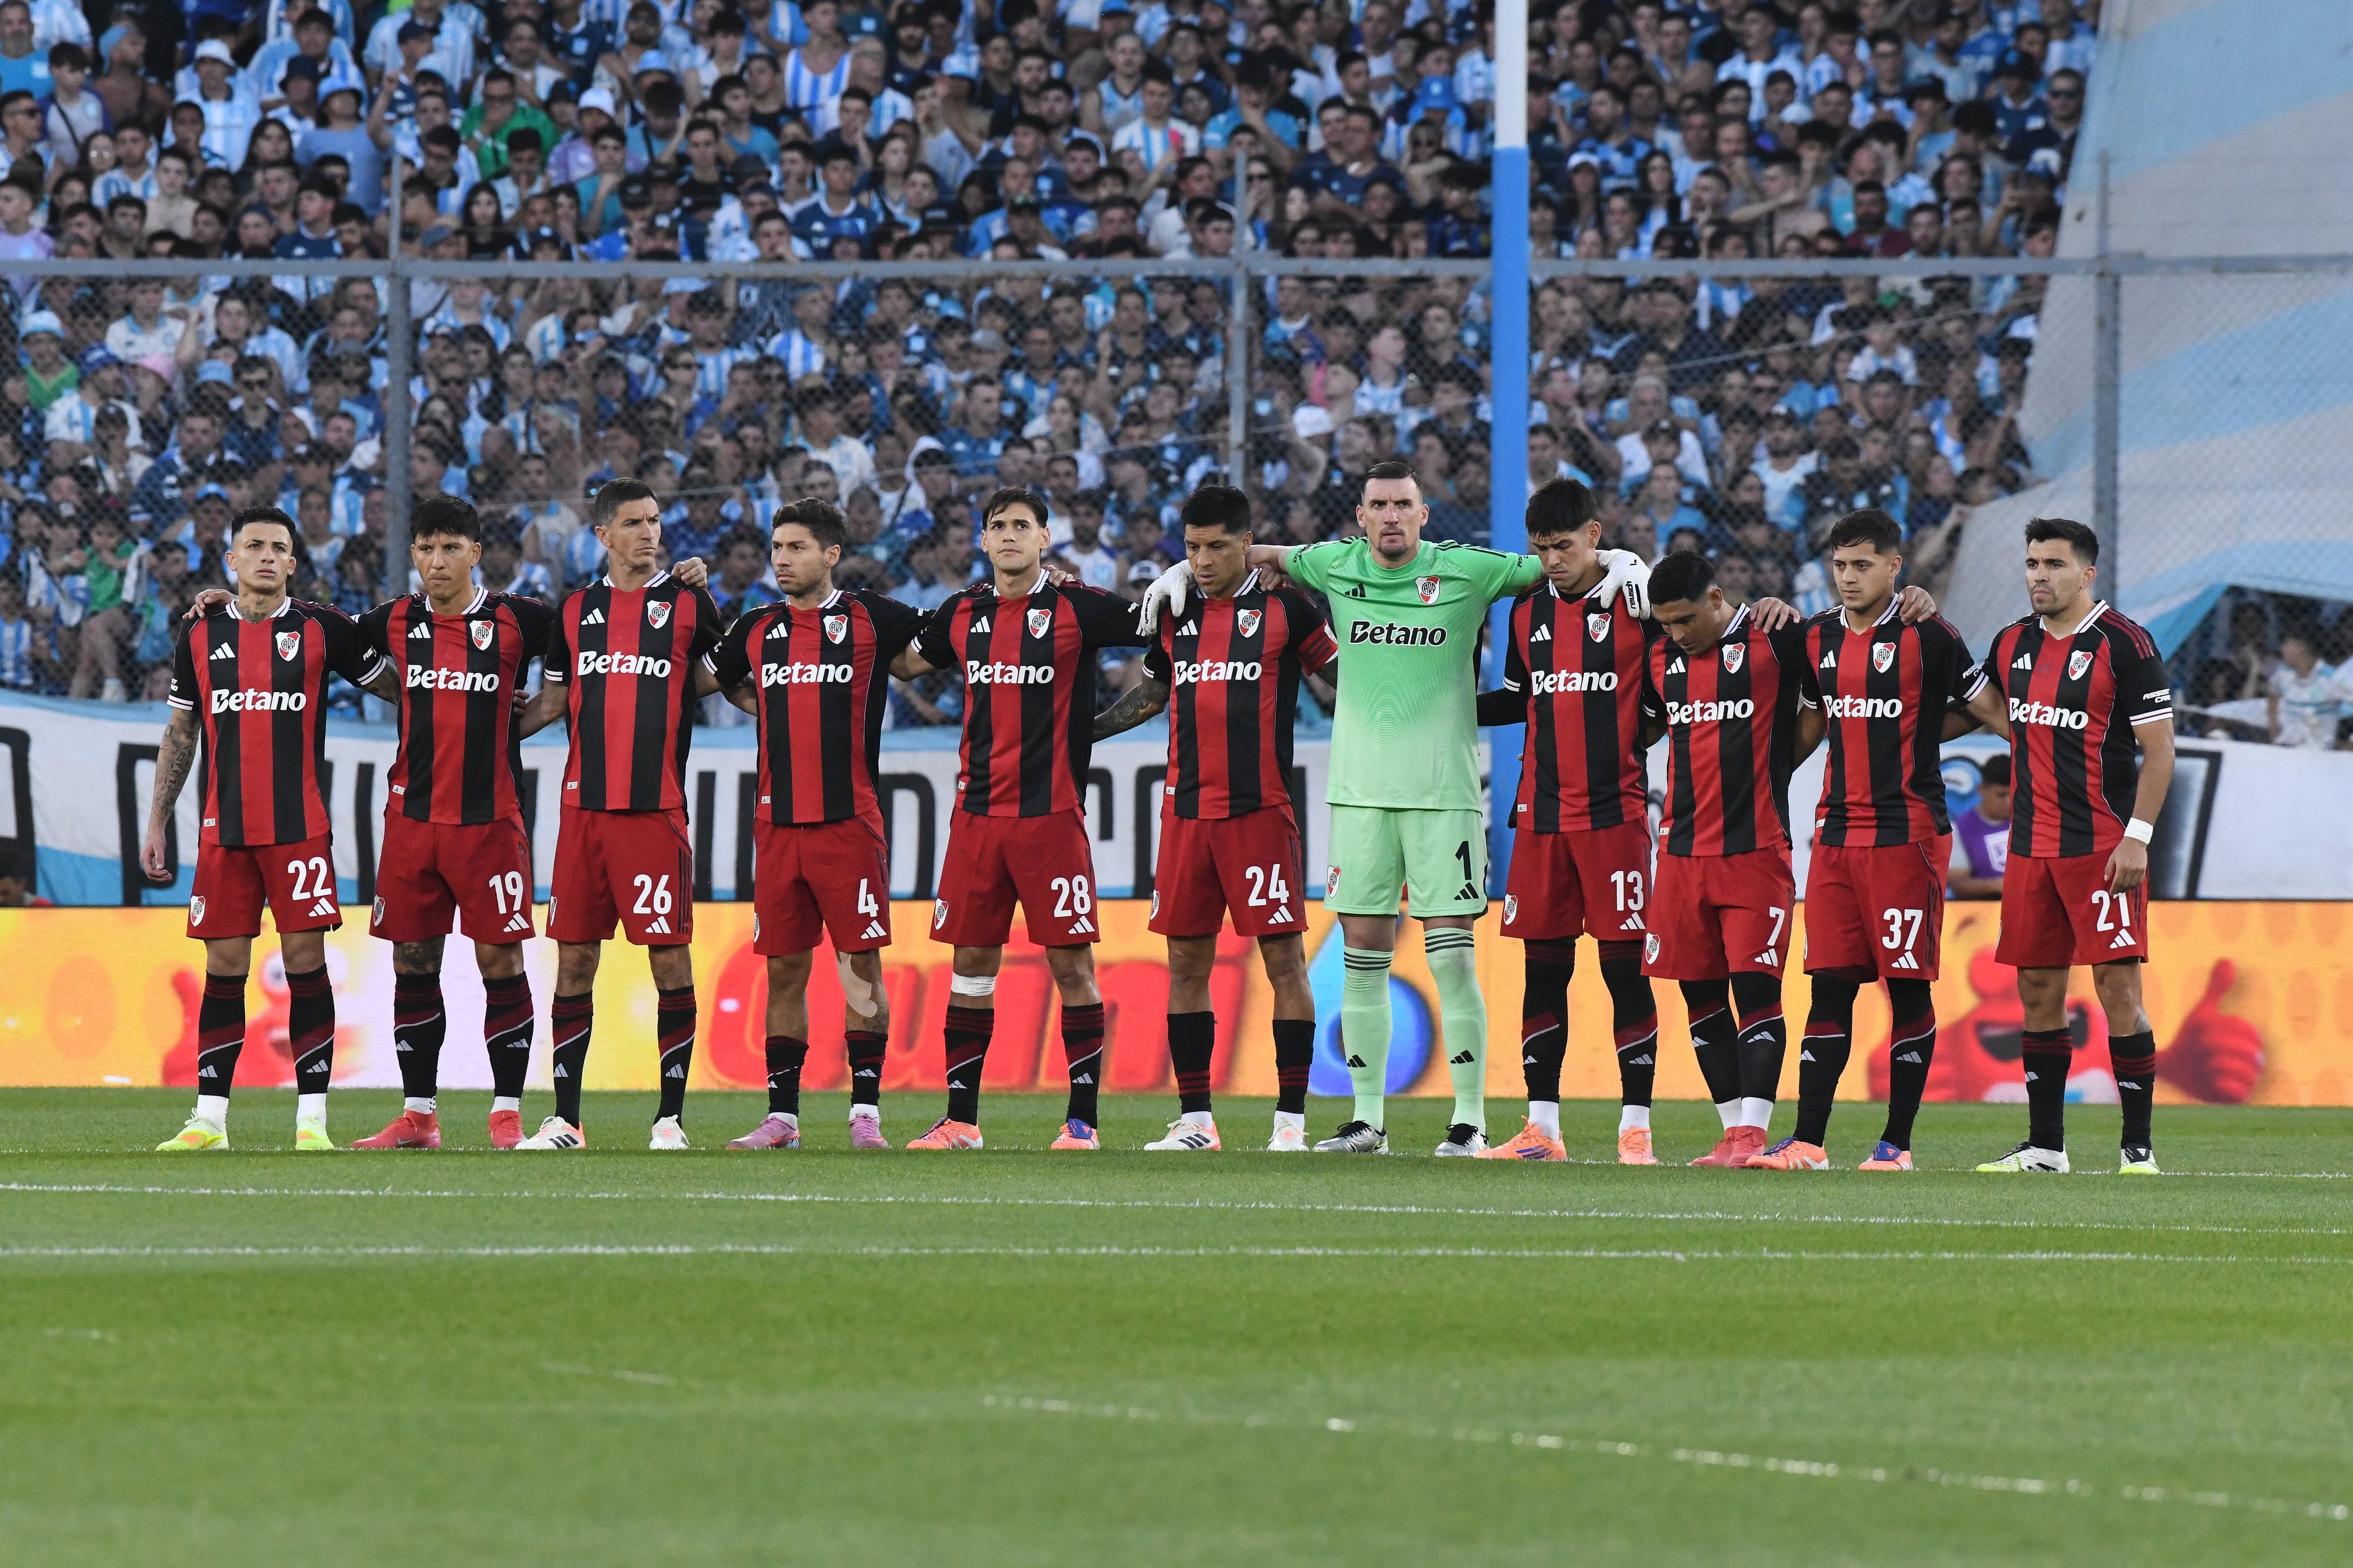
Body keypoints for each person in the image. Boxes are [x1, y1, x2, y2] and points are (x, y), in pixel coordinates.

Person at [1139, 461, 1641, 1156]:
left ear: (1424, 513)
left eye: (1403, 504)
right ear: (1361, 516)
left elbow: (1561, 562)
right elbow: (1245, 552)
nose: (1391, 516)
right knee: (1363, 960)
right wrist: (1172, 574)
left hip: (1443, 798)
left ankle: (1468, 1122)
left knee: (1452, 962)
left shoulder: (1470, 570)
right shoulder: (1333, 565)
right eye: (1378, 505)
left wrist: (1621, 555)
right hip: (1359, 795)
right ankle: (1367, 1119)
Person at [888, 485, 1148, 1151]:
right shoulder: (962, 612)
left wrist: (1105, 726)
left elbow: (1163, 630)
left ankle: (1082, 1121)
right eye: (997, 525)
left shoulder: (1079, 606)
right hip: (976, 818)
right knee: (971, 964)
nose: (1008, 535)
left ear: (1044, 537)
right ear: (982, 540)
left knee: (1071, 966)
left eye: (1021, 525)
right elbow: (904, 661)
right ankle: (961, 1120)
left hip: (1051, 818)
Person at [1089, 484, 1339, 1153]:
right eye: (1192, 547)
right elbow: (1152, 691)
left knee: (1283, 959)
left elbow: (1344, 675)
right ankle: (1196, 1119)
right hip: (1186, 814)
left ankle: (1290, 1122)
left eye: (1217, 547)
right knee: (1185, 961)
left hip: (1259, 812)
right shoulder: (1175, 609)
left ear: (1245, 543)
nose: (1202, 560)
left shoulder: (1288, 607)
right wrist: (1081, 736)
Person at [143, 506, 397, 1152]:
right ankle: (209, 1120)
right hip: (223, 831)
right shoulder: (199, 633)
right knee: (224, 967)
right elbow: (181, 732)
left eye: (277, 547)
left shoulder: (320, 629)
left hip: (298, 829)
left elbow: (400, 685)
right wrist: (157, 820)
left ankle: (311, 1119)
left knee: (305, 962)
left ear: (292, 563)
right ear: (231, 560)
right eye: (251, 545)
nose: (264, 555)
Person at [702, 499, 927, 1152]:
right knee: (785, 971)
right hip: (777, 826)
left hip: (848, 824)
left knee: (860, 966)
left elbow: (944, 639)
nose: (781, 558)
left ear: (830, 554)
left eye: (796, 546)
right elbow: (705, 681)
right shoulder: (756, 626)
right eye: (776, 546)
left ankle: (865, 1113)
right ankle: (783, 1117)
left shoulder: (870, 617)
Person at [1763, 508, 1983, 1172]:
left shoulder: (1929, 633)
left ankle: (1896, 1145)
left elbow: (1984, 706)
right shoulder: (1816, 636)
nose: (1849, 577)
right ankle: (1807, 1140)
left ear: (1895, 566)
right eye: (1839, 565)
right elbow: (1810, 725)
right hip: (1833, 834)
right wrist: (1767, 784)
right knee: (1828, 986)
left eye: (1863, 565)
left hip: (1906, 834)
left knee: (1906, 987)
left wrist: (2032, 747)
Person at [514, 479, 729, 1151]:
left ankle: (670, 1119)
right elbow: (550, 704)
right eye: (634, 522)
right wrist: (473, 735)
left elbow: (733, 676)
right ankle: (565, 1120)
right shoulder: (574, 609)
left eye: (655, 520)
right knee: (574, 962)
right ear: (602, 535)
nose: (650, 532)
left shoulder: (690, 604)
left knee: (669, 963)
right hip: (583, 814)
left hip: (654, 812)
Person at [1965, 517, 2177, 1176]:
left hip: (2101, 846)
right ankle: (2046, 1147)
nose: (2038, 576)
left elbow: (2159, 748)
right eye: (2031, 563)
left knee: (2116, 989)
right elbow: (2001, 713)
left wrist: (2137, 837)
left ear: (2086, 574)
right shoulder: (2009, 643)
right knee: (2036, 991)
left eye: (2053, 564)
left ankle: (2136, 1148)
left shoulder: (2125, 643)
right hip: (2031, 847)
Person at [346, 498, 557, 1152]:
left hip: (488, 820)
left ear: (476, 554)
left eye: (450, 548)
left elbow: (595, 649)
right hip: (411, 818)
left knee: (501, 960)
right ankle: (418, 1116)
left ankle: (505, 1114)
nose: (437, 561)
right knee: (413, 960)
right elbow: (314, 632)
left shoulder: (520, 621)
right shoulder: (390, 621)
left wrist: (516, 721)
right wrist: (226, 601)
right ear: (413, 554)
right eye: (426, 548)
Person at [1473, 480, 1667, 1164]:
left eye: (1562, 546)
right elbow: (1518, 698)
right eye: (1540, 549)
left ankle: (1635, 1127)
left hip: (1613, 816)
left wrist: (1637, 738)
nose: (1551, 560)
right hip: (1542, 820)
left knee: (1623, 973)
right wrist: (1447, 706)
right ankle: (1541, 1129)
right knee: (1542, 972)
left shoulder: (1635, 605)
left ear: (1594, 534)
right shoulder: (1525, 614)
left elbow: (1669, 700)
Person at [1639, 549, 1817, 1168]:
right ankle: (1730, 1131)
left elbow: (1833, 689)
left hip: (1756, 850)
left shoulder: (1778, 637)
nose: (1676, 634)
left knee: (1758, 991)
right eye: (1664, 623)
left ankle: (1752, 1134)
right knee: (1700, 998)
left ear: (1718, 599)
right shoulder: (1661, 656)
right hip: (1682, 853)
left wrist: (1778, 765)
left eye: (1685, 619)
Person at [1949, 754, 2011, 899]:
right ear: (1982, 789)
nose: (2009, 802)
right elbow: (1958, 884)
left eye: (2013, 794)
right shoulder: (1960, 829)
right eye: (2001, 795)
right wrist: (1997, 885)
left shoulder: (2029, 821)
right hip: (1984, 913)